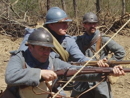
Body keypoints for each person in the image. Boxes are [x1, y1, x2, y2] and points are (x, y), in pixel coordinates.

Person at [5, 27, 125, 98]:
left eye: (49, 49)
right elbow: (10, 77)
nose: (46, 53)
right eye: (42, 48)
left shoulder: (53, 60)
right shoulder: (19, 57)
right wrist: (40, 73)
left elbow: (78, 72)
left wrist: (107, 73)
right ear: (30, 47)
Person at [71, 12, 126, 98]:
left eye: (94, 23)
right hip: (83, 79)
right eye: (89, 23)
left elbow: (121, 51)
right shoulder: (78, 40)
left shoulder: (104, 39)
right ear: (84, 25)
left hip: (99, 79)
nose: (92, 26)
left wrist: (108, 63)